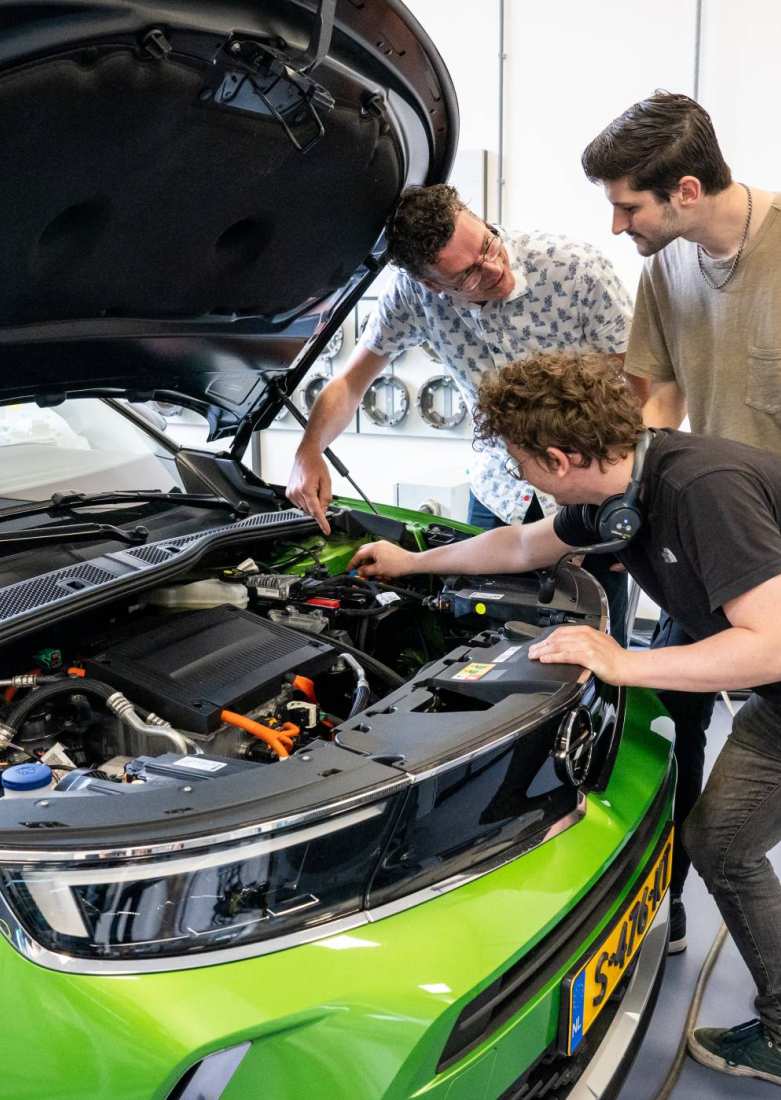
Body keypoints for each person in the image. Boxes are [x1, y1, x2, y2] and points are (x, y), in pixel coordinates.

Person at [349, 350, 781, 1088]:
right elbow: (522, 544)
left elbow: (770, 643)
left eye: (521, 465)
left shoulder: (700, 489)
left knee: (722, 840)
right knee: (717, 838)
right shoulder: (622, 487)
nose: (521, 479)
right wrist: (410, 564)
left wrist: (624, 661)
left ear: (556, 457)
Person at [581, 90, 781, 952]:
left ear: (685, 190)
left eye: (629, 205)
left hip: (766, 547)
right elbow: (656, 391)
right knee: (676, 716)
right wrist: (639, 500)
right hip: (708, 535)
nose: (618, 225)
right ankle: (656, 909)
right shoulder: (665, 271)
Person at [286, 183, 635, 643]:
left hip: (590, 488)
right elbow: (351, 381)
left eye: (488, 243)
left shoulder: (575, 270)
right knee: (478, 635)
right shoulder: (411, 297)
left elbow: (637, 389)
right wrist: (309, 450)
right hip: (498, 490)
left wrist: (628, 500)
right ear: (431, 284)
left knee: (596, 633)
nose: (494, 267)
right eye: (468, 273)